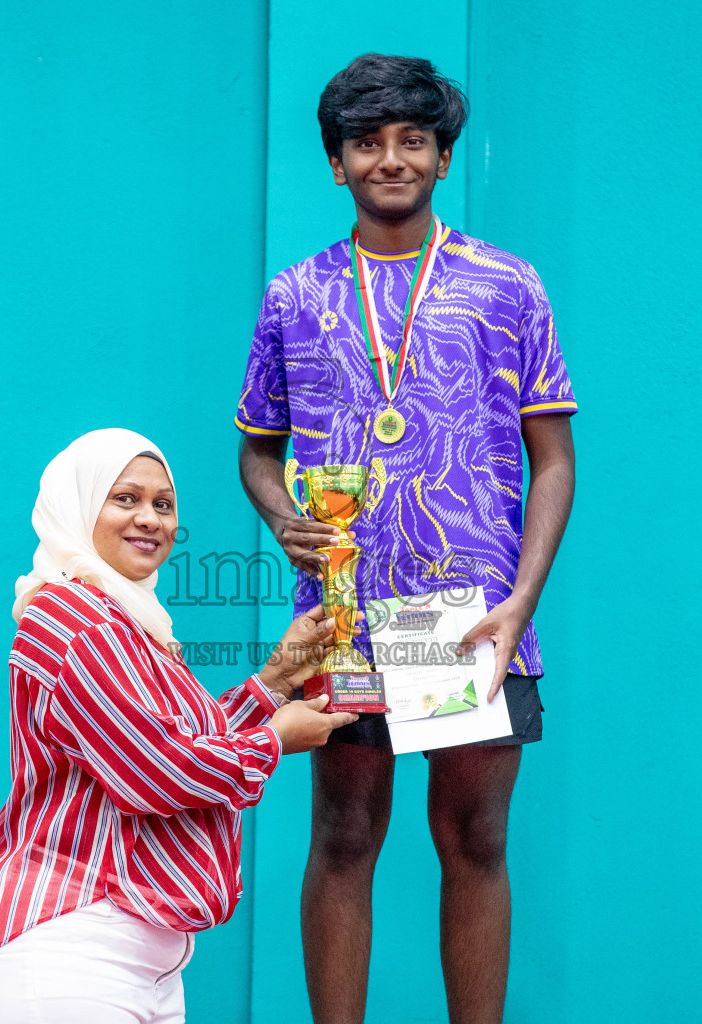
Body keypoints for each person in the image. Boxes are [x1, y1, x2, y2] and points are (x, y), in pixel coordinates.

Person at [234, 54, 577, 1024]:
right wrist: (278, 512)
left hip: (469, 616)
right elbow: (259, 451)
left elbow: (554, 458)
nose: (392, 157)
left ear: (443, 156)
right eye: (367, 142)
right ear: (337, 165)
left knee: (474, 839)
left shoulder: (509, 286)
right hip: (343, 619)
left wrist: (521, 602)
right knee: (343, 834)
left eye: (412, 140)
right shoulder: (294, 295)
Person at [0, 428, 357, 1024]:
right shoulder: (74, 619)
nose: (150, 520)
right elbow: (155, 773)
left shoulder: (126, 620)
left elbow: (167, 744)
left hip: (134, 962)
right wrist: (275, 739)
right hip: (65, 949)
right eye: (125, 499)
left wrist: (273, 681)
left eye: (163, 505)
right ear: (80, 506)